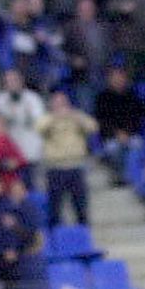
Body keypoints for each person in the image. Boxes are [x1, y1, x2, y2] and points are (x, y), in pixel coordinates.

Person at [39, 91, 98, 226]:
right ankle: (55, 235)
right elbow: (39, 128)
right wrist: (55, 118)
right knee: (55, 208)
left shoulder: (77, 115)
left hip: (75, 166)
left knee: (80, 206)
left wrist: (75, 117)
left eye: (62, 102)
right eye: (57, 103)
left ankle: (84, 234)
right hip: (55, 168)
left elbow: (93, 127)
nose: (60, 106)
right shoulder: (47, 117)